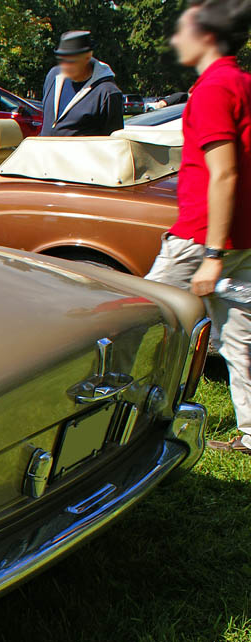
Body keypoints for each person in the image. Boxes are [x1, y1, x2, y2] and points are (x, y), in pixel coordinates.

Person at [145, 0, 251, 456]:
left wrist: (211, 255)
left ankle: (125, 421)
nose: (174, 40)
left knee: (140, 320)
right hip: (244, 239)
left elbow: (224, 173)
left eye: (181, 31)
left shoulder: (213, 89)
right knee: (239, 340)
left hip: (200, 239)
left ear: (206, 36)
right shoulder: (244, 82)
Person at [39, 30, 125, 137]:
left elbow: (113, 143)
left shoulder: (107, 93)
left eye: (71, 61)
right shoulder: (53, 76)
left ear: (87, 58)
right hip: (45, 153)